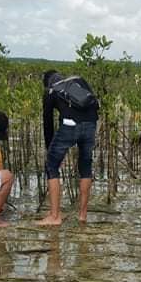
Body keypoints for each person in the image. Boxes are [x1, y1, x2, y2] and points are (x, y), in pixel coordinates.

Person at [37, 69, 99, 225]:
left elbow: (47, 123)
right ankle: (82, 216)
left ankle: (54, 216)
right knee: (85, 166)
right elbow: (94, 103)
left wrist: (50, 148)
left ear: (48, 83)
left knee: (51, 165)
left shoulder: (51, 91)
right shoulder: (79, 80)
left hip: (69, 126)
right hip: (91, 124)